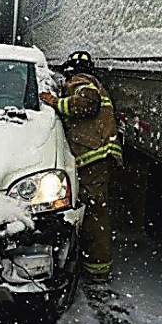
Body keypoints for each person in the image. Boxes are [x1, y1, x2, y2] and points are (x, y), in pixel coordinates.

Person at [40, 51, 122, 280]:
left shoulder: (81, 81)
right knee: (95, 211)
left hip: (94, 156)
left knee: (94, 214)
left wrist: (57, 103)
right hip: (100, 155)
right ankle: (95, 266)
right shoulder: (91, 80)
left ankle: (97, 270)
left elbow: (88, 103)